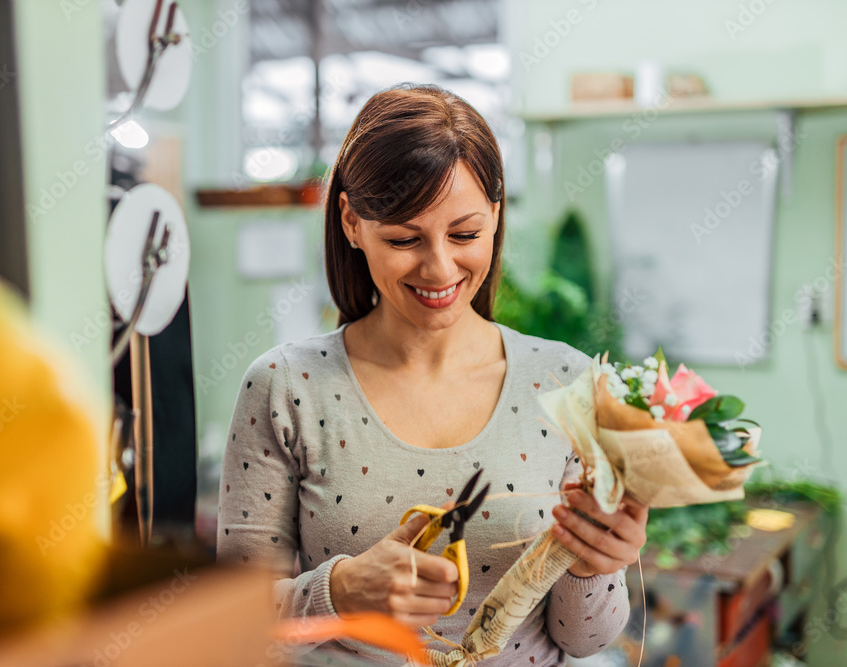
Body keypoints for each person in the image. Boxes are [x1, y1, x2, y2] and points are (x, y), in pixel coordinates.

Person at [217, 84, 648, 665]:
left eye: (465, 234)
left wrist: (597, 563)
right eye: (403, 239)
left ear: (496, 215)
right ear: (350, 221)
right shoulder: (287, 386)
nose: (439, 267)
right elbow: (228, 622)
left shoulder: (566, 384)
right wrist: (338, 592)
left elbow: (584, 639)